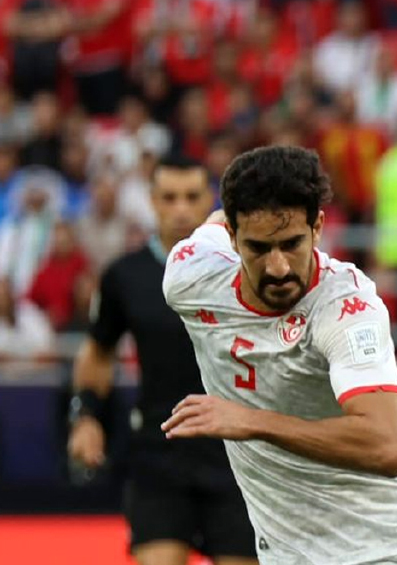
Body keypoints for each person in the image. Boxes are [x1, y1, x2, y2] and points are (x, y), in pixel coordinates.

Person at [160, 146, 397, 565]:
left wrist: (251, 420)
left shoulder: (345, 308)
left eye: (291, 244)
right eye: (259, 248)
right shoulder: (191, 277)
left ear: (317, 227)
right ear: (231, 236)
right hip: (296, 553)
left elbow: (386, 445)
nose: (278, 267)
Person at [67, 155, 257, 565]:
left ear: (210, 199)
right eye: (169, 198)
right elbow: (97, 353)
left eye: (191, 196)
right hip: (158, 453)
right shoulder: (125, 275)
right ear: (152, 201)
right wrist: (85, 416)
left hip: (236, 455)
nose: (181, 209)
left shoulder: (244, 269)